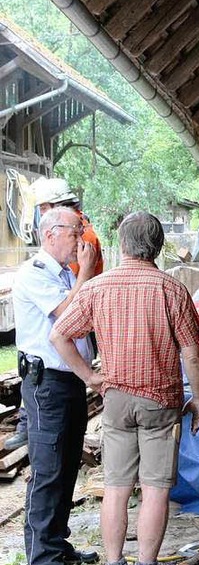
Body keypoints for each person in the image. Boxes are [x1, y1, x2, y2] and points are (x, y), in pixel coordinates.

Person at [51, 211, 199, 565]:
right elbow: (191, 352)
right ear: (158, 246)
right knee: (155, 490)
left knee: (117, 488)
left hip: (116, 401)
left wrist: (89, 376)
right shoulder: (171, 290)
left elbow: (59, 335)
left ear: (122, 244)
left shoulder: (96, 288)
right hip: (160, 402)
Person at [12, 206, 99, 565]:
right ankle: (42, 562)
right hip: (45, 381)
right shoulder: (34, 273)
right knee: (47, 470)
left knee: (66, 465)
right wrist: (83, 274)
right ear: (50, 234)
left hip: (68, 379)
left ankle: (58, 543)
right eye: (74, 232)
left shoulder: (64, 273)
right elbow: (67, 312)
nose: (80, 240)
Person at [5, 176, 104, 451]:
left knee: (63, 460)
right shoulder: (39, 269)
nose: (77, 240)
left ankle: (28, 425)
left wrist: (82, 273)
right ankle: (28, 424)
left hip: (67, 362)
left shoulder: (79, 240)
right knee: (51, 463)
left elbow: (70, 313)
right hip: (49, 374)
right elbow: (66, 312)